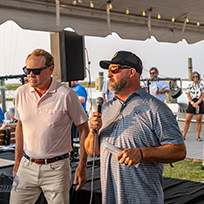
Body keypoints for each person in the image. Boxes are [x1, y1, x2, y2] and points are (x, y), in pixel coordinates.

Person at [84, 51, 186, 204]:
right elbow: (92, 151)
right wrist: (92, 131)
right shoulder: (105, 109)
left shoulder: (155, 108)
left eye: (114, 70)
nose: (109, 75)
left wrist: (141, 153)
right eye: (108, 71)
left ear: (131, 72)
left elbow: (179, 150)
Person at [10, 49, 89, 204]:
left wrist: (82, 164)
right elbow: (20, 125)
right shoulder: (21, 92)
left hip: (57, 169)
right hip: (26, 166)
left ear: (51, 69)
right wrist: (18, 159)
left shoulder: (66, 95)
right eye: (27, 71)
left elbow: (84, 129)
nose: (30, 75)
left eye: (36, 71)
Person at [183, 71, 204, 141]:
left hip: (199, 102)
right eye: (194, 76)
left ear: (198, 77)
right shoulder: (190, 85)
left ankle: (198, 136)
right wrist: (192, 103)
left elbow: (203, 95)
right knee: (187, 120)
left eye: (197, 76)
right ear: (192, 77)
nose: (195, 78)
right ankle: (183, 136)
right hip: (192, 102)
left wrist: (198, 102)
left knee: (199, 120)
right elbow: (188, 95)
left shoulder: (201, 85)